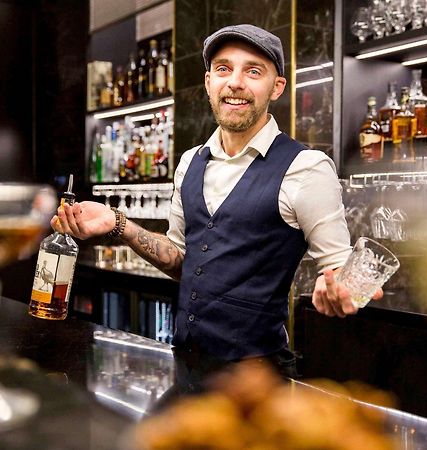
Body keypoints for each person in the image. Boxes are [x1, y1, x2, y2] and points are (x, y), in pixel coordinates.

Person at [53, 24, 381, 380]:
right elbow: (182, 259)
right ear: (209, 82)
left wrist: (338, 286)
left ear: (277, 87)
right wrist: (119, 224)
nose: (236, 82)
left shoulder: (307, 167)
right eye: (224, 69)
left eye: (253, 71)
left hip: (257, 380)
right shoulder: (189, 162)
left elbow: (341, 270)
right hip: (185, 367)